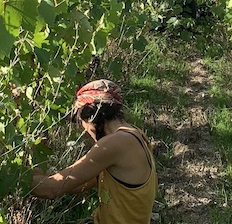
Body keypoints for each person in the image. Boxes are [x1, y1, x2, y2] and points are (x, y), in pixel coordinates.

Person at [30, 79, 157, 224]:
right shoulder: (133, 135)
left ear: (91, 116)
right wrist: (34, 173)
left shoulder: (115, 144)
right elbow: (80, 184)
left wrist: (14, 177)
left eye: (82, 122)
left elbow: (50, 189)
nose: (84, 130)